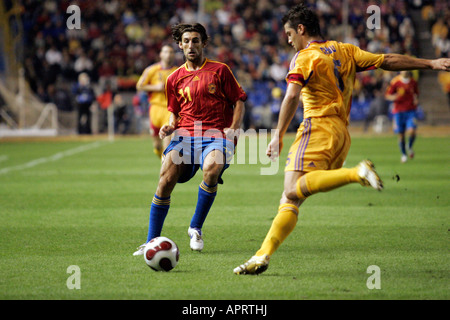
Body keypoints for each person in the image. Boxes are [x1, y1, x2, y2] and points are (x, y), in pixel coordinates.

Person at [234, 4, 450, 275]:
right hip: (341, 134)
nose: (288, 39)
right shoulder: (345, 50)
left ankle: (356, 173)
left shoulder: (304, 57)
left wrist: (277, 136)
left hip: (317, 127)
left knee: (291, 190)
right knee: (290, 199)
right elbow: (387, 61)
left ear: (301, 29)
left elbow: (290, 96)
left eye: (289, 33)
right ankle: (262, 256)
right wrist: (429, 63)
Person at [133, 23, 247, 255]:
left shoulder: (220, 70)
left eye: (195, 40)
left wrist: (234, 128)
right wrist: (170, 125)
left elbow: (239, 100)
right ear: (180, 45)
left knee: (212, 169)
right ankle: (151, 241)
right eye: (186, 41)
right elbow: (174, 110)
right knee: (165, 179)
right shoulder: (173, 78)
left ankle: (195, 227)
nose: (191, 45)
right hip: (185, 135)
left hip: (216, 134)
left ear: (204, 43)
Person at [136, 45, 178, 159]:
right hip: (155, 109)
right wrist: (156, 87)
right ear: (161, 54)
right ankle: (158, 152)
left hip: (169, 110)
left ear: (174, 55)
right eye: (166, 52)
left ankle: (165, 169)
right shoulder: (151, 70)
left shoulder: (177, 71)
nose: (168, 54)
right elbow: (140, 86)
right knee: (156, 144)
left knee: (167, 143)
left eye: (171, 52)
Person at [385, 71, 419, 163]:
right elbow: (388, 95)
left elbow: (416, 94)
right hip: (399, 111)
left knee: (412, 131)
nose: (405, 70)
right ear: (400, 71)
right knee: (401, 135)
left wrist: (416, 100)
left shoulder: (413, 82)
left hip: (410, 111)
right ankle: (404, 154)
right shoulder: (395, 82)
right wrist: (394, 97)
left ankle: (409, 146)